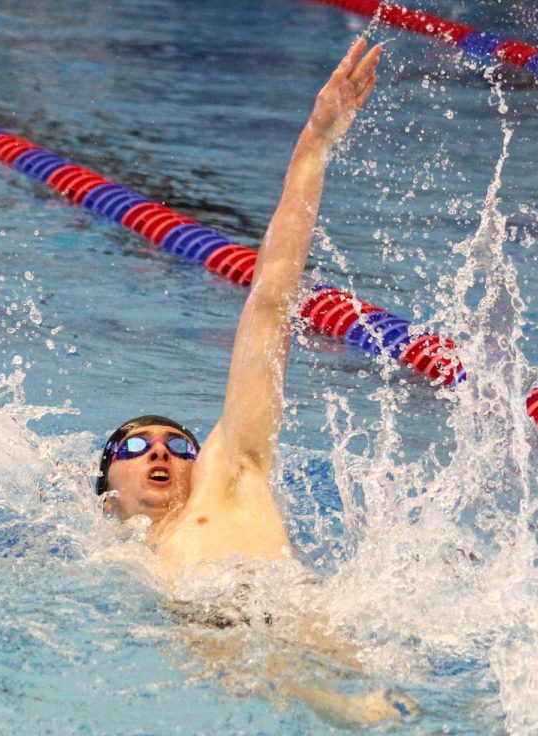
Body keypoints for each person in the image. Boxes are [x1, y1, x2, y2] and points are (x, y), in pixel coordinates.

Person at [96, 37, 383, 575]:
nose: (160, 453)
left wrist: (314, 144)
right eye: (136, 448)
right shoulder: (107, 561)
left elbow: (272, 300)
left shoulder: (231, 482)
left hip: (293, 632)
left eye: (179, 448)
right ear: (106, 494)